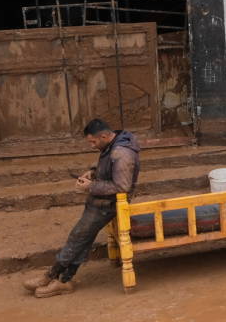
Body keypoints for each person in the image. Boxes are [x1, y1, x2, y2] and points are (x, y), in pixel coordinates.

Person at [22, 119, 141, 298]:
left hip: (108, 205)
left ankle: (50, 276)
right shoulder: (112, 145)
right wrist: (93, 172)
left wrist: (90, 187)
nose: (92, 145)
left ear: (104, 136)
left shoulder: (121, 152)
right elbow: (110, 169)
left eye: (93, 142)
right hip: (101, 202)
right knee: (82, 240)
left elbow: (122, 186)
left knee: (77, 238)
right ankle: (64, 280)